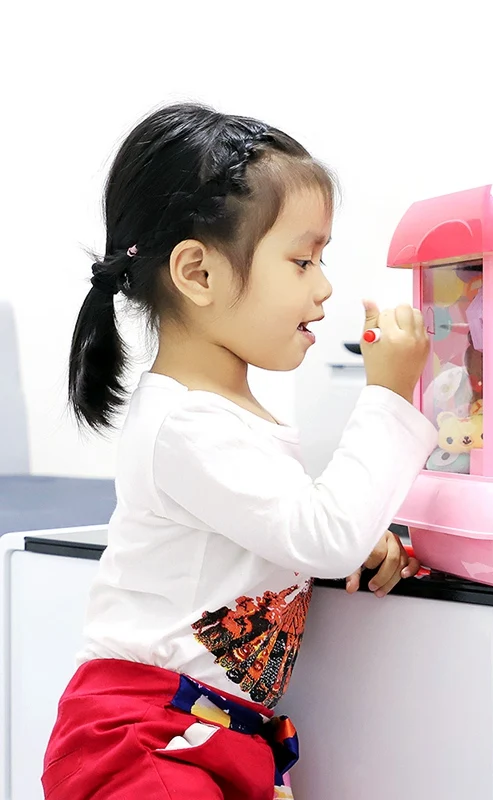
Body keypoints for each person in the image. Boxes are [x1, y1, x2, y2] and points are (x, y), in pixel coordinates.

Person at [42, 103, 436, 800]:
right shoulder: (185, 423)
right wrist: (390, 396)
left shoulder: (226, 419)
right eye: (302, 260)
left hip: (205, 732)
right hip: (142, 740)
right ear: (198, 272)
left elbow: (293, 533)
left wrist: (358, 539)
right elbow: (322, 536)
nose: (324, 286)